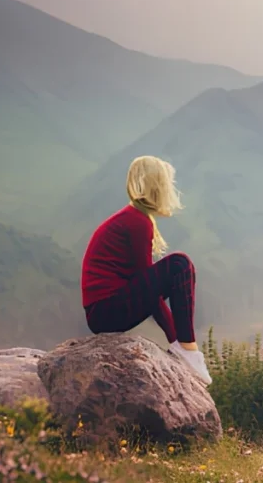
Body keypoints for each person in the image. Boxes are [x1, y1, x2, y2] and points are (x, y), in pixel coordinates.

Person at [80, 155, 212, 385]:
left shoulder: (135, 218)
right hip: (105, 312)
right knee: (180, 265)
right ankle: (187, 349)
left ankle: (185, 348)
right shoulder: (137, 222)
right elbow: (150, 291)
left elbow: (147, 288)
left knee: (177, 267)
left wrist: (175, 340)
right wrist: (180, 343)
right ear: (156, 186)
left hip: (103, 312)